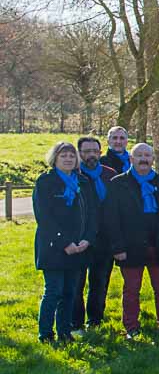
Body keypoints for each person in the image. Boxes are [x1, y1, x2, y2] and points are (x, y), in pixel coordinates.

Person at [106, 143, 159, 339]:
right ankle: (131, 326)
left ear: (153, 159)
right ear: (131, 159)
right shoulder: (118, 184)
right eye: (139, 155)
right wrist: (117, 247)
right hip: (130, 247)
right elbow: (111, 219)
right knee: (131, 290)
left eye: (147, 155)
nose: (143, 159)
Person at [34, 142, 98, 343]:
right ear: (55, 159)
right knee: (53, 291)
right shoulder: (45, 182)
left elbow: (93, 213)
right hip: (54, 246)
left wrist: (87, 238)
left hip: (79, 247)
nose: (68, 159)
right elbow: (44, 217)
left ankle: (64, 331)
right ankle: (46, 334)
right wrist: (65, 243)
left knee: (70, 292)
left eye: (72, 156)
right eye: (64, 156)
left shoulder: (84, 182)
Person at [71, 136, 116, 335]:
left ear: (100, 153)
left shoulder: (110, 175)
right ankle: (76, 323)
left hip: (105, 239)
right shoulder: (73, 175)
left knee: (99, 282)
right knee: (76, 283)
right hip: (80, 238)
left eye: (94, 151)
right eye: (86, 151)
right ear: (79, 154)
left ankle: (95, 320)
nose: (91, 155)